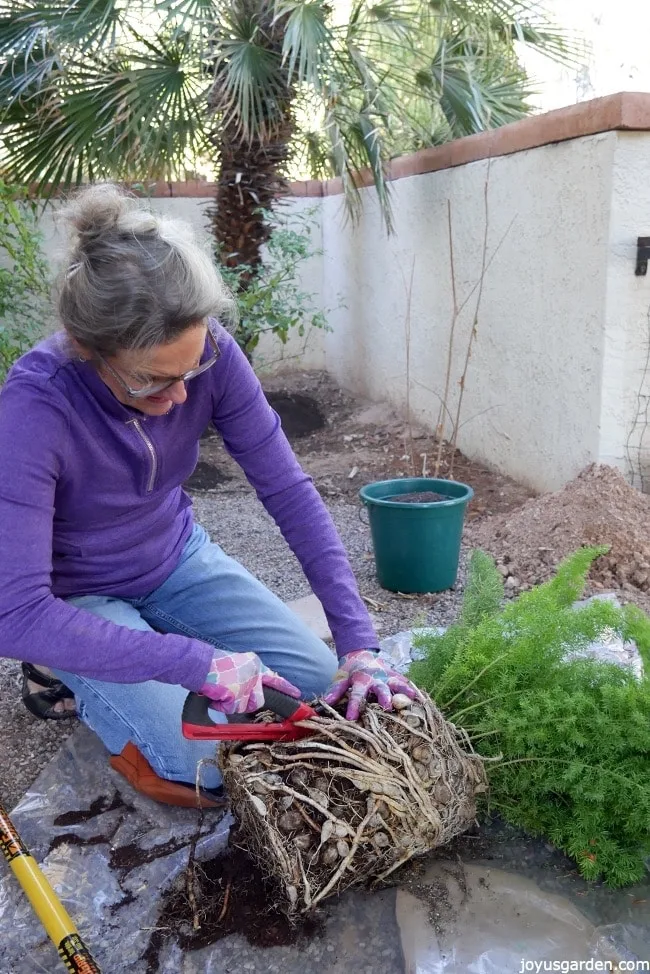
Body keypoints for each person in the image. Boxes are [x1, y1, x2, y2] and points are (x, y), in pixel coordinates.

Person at [0, 184, 417, 809]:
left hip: (177, 558)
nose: (182, 399)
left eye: (190, 372)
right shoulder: (35, 407)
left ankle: (129, 652)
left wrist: (359, 642)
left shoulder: (212, 351)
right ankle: (61, 666)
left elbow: (289, 492)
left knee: (319, 692)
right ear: (87, 350)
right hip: (76, 593)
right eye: (151, 382)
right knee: (205, 762)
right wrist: (197, 663)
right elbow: (15, 613)